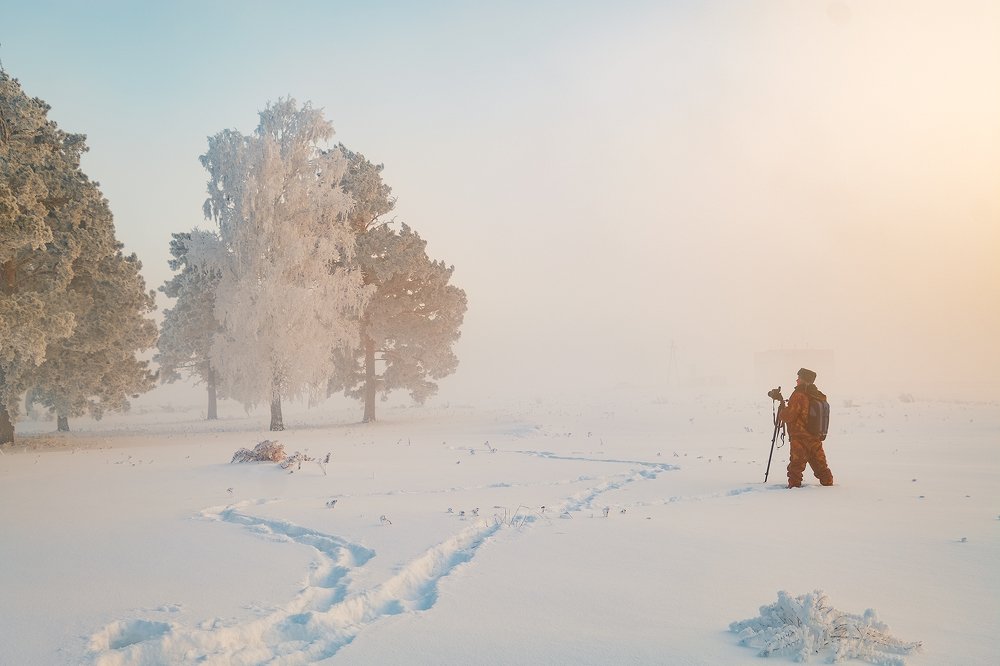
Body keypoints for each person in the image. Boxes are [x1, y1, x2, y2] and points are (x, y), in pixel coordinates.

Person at [778, 367, 834, 488]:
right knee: (821, 466)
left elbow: (790, 415)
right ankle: (828, 485)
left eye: (799, 378)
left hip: (800, 437)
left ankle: (794, 489)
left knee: (796, 466)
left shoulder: (799, 395)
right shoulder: (818, 395)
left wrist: (782, 410)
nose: (797, 380)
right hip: (815, 436)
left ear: (804, 380)